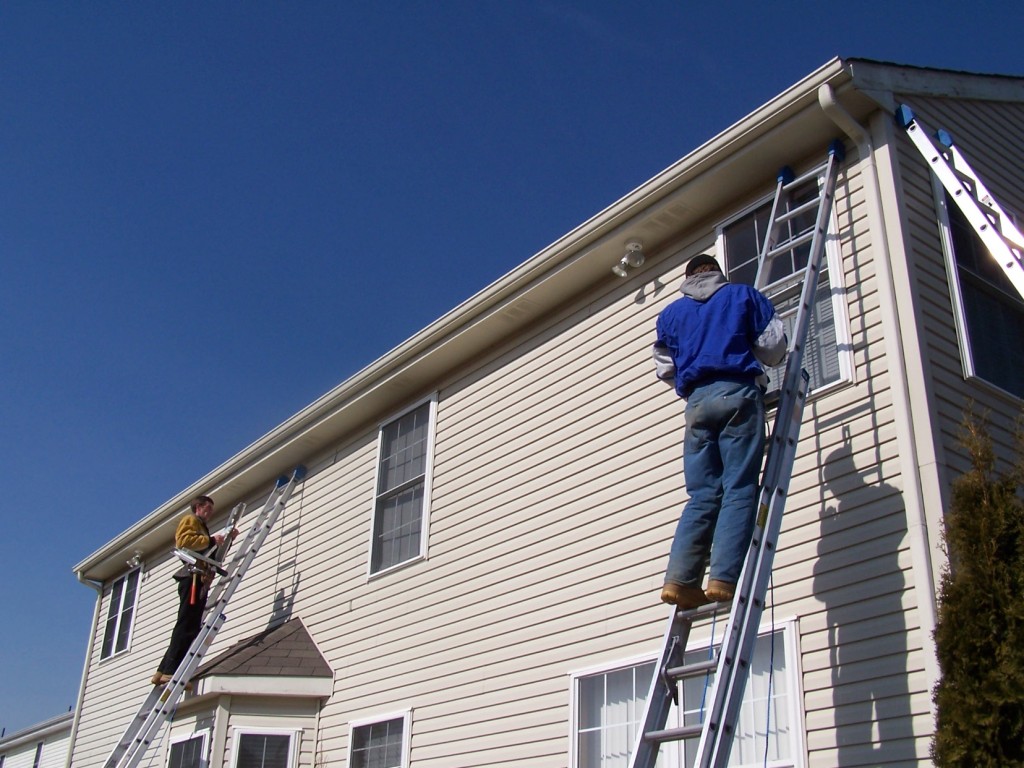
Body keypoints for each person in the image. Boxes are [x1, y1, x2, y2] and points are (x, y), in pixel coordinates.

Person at [652, 253, 786, 609]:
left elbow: (665, 369)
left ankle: (679, 581)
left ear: (689, 277)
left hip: (696, 405)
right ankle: (722, 579)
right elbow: (773, 349)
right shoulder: (742, 296)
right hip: (737, 392)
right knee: (739, 487)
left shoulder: (670, 315)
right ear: (717, 272)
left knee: (702, 495)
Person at [151, 495, 237, 685]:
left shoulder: (201, 529)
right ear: (198, 507)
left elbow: (209, 553)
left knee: (186, 623)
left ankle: (162, 670)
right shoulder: (190, 520)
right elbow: (185, 542)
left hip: (199, 577)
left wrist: (226, 540)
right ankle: (171, 672)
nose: (210, 513)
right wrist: (211, 539)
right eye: (208, 508)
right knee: (187, 625)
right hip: (192, 577)